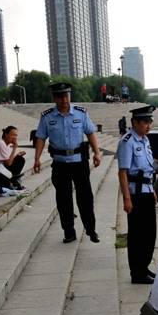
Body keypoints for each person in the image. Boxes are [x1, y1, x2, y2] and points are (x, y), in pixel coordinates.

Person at [34, 82, 102, 244]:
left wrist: (97, 152)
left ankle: (91, 230)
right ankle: (69, 231)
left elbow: (91, 133)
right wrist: (37, 158)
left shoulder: (80, 113)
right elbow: (41, 138)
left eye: (66, 95)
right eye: (60, 96)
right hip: (60, 164)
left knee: (85, 198)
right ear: (54, 98)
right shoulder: (47, 117)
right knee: (63, 200)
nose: (64, 99)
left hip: (79, 162)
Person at [117, 105, 157, 284]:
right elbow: (123, 172)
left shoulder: (145, 140)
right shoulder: (127, 142)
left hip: (147, 192)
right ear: (134, 122)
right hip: (135, 195)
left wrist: (153, 191)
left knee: (150, 234)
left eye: (150, 122)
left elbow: (148, 171)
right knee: (137, 235)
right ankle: (137, 272)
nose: (148, 125)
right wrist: (127, 198)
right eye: (145, 122)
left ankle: (144, 266)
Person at [0, 126, 27, 196]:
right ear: (6, 134)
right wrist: (14, 148)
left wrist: (17, 155)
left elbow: (8, 160)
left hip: (0, 169)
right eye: (13, 135)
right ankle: (12, 180)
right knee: (20, 160)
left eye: (16, 135)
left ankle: (12, 180)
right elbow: (8, 163)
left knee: (20, 159)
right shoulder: (0, 143)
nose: (15, 137)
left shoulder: (5, 145)